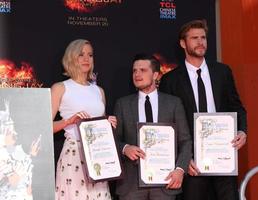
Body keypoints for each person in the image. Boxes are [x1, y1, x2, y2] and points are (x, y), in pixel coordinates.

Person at [159, 19, 247, 200]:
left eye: (203, 38)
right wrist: (182, 160)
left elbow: (236, 107)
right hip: (193, 163)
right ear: (183, 43)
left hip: (224, 157)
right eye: (194, 38)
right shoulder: (170, 80)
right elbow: (167, 125)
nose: (200, 42)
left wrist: (242, 131)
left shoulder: (222, 72)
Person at [114, 54, 192, 200]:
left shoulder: (173, 103)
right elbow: (114, 140)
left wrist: (180, 170)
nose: (137, 74)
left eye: (143, 70)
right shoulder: (122, 104)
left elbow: (185, 141)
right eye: (134, 71)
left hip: (165, 182)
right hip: (132, 185)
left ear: (155, 75)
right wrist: (125, 148)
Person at [51, 39, 117, 200]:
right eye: (81, 54)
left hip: (98, 156)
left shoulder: (99, 91)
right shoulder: (60, 88)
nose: (86, 58)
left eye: (90, 54)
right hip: (73, 156)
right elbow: (44, 127)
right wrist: (68, 121)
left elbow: (99, 127)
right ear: (71, 58)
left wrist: (108, 124)